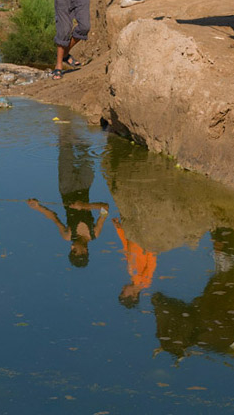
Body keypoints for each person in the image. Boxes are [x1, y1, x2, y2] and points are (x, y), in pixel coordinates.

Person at [27, 120, 108, 268]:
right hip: (85, 186)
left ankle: (65, 122)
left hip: (66, 188)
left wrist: (38, 207)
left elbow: (54, 218)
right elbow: (105, 209)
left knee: (65, 150)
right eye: (74, 251)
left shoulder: (68, 236)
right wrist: (85, 205)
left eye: (71, 250)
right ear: (84, 252)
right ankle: (80, 124)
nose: (71, 247)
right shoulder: (95, 233)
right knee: (86, 151)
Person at [112, 216, 157, 308]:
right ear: (134, 295)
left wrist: (119, 228)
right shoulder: (144, 282)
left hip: (134, 234)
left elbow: (126, 247)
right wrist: (150, 242)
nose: (122, 289)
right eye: (123, 293)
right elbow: (151, 263)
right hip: (143, 236)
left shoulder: (132, 275)